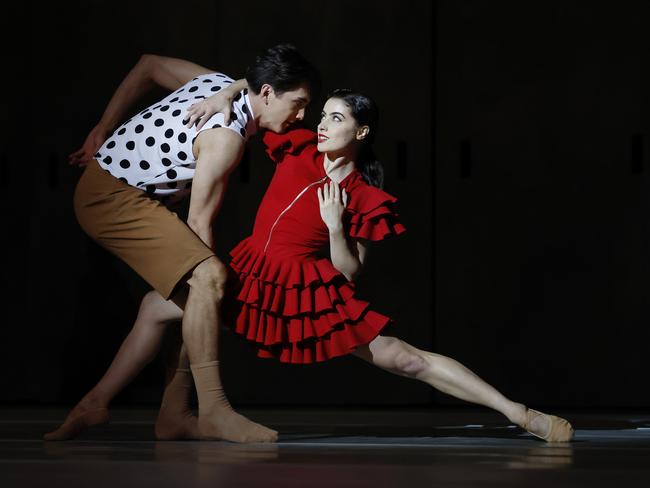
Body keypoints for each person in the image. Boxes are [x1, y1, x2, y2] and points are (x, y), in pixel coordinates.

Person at [48, 85, 574, 443]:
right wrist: (231, 88)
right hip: (249, 269)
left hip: (307, 290)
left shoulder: (367, 197)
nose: (322, 124)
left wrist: (337, 224)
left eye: (337, 118)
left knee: (403, 358)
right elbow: (259, 103)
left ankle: (520, 414)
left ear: (362, 132)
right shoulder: (295, 147)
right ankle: (106, 404)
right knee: (155, 307)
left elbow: (349, 271)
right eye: (323, 115)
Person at [45, 44, 320, 443]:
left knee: (181, 299)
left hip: (120, 191)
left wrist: (103, 127)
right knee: (208, 280)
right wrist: (209, 282)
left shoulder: (218, 85)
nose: (301, 116)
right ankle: (212, 410)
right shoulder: (225, 138)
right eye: (297, 103)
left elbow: (149, 65)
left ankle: (137, 408)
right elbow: (198, 222)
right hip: (112, 199)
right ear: (266, 93)